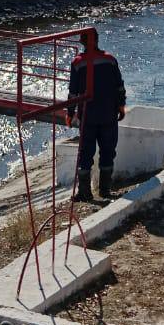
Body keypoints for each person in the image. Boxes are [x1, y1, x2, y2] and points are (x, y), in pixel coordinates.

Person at [67, 29, 127, 202]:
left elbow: (73, 93)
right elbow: (119, 87)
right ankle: (105, 191)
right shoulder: (110, 60)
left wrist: (70, 113)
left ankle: (84, 193)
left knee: (85, 154)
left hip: (88, 117)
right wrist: (121, 106)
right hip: (108, 114)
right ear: (98, 40)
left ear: (82, 42)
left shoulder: (77, 63)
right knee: (108, 152)